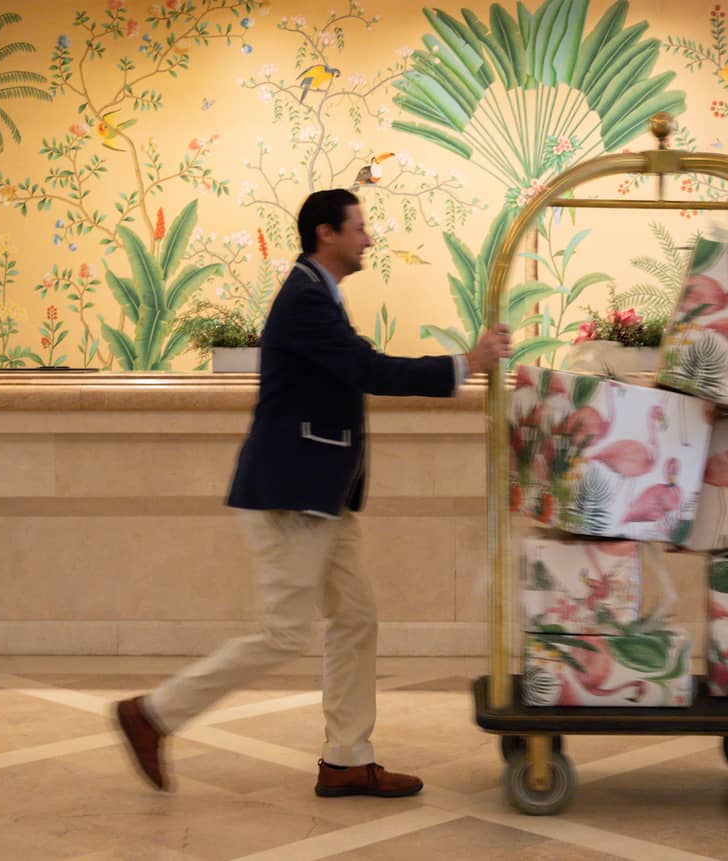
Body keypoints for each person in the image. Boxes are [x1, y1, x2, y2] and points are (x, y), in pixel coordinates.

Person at [114, 188, 511, 797]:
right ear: (326, 233)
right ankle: (153, 714)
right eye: (359, 227)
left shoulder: (317, 295)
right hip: (293, 497)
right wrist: (466, 363)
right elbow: (369, 369)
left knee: (356, 618)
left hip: (323, 497)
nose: (368, 239)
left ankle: (347, 758)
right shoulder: (304, 300)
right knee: (285, 633)